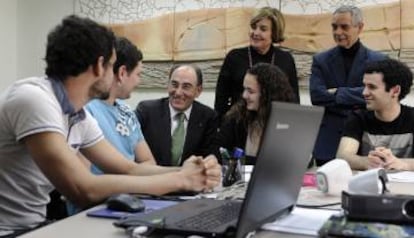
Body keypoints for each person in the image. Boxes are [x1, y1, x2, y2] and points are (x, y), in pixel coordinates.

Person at [0, 15, 220, 237]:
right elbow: (83, 188)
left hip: (34, 227)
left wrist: (188, 171)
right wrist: (181, 180)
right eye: (113, 66)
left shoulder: (79, 116)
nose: (116, 75)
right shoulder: (34, 100)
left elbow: (129, 168)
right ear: (98, 66)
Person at [310, 5, 386, 166]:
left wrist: (338, 93)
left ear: (360, 27)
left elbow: (379, 96)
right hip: (328, 142)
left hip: (366, 138)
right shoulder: (320, 60)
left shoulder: (378, 60)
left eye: (344, 27)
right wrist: (360, 96)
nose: (338, 32)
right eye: (334, 27)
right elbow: (316, 96)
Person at [214, 6, 300, 122]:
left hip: (273, 124)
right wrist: (223, 126)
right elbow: (221, 100)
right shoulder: (234, 57)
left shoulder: (286, 59)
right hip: (238, 125)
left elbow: (293, 102)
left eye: (263, 29)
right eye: (254, 27)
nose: (256, 33)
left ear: (274, 33)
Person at [86, 36, 156, 172]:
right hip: (106, 191)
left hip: (131, 190)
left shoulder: (126, 111)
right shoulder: (86, 110)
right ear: (122, 73)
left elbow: (149, 161)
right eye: (138, 74)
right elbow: (85, 181)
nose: (138, 82)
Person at [336, 59, 414, 171]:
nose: (364, 93)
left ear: (395, 91)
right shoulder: (358, 117)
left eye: (372, 87)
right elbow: (342, 157)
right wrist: (368, 162)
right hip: (370, 186)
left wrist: (400, 163)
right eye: (365, 86)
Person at [136, 64, 219, 166]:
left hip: (189, 180)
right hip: (152, 178)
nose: (178, 92)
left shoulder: (208, 117)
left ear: (198, 91)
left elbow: (210, 159)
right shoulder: (147, 111)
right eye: (174, 85)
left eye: (186, 87)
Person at [214, 62, 296, 164]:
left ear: (267, 95)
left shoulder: (288, 123)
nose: (244, 95)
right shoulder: (236, 118)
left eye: (251, 91)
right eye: (244, 89)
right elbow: (217, 153)